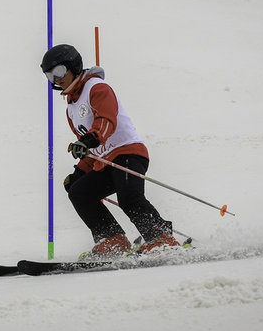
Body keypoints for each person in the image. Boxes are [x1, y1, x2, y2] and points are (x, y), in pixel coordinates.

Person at [40, 44, 180, 257]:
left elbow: (106, 121)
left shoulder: (96, 88)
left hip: (127, 153)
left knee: (129, 197)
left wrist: (89, 140)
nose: (55, 79)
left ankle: (161, 238)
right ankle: (113, 241)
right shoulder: (71, 107)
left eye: (58, 71)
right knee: (79, 192)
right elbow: (89, 148)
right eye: (49, 75)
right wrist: (79, 172)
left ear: (73, 66)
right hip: (105, 161)